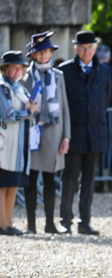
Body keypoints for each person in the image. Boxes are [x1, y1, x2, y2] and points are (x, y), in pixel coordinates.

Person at [58, 31, 112, 235]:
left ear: (95, 48)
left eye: (90, 47)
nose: (87, 51)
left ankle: (84, 221)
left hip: (96, 133)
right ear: (76, 49)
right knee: (69, 180)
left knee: (89, 182)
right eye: (83, 48)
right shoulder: (65, 71)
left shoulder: (104, 71)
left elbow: (105, 100)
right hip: (73, 134)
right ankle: (65, 221)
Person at [21, 32, 71, 234]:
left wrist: (67, 137)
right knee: (30, 180)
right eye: (40, 52)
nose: (43, 55)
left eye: (47, 51)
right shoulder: (25, 77)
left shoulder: (58, 76)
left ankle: (50, 223)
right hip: (32, 132)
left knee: (50, 181)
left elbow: (65, 108)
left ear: (51, 52)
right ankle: (31, 224)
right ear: (33, 55)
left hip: (54, 133)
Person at [0, 51, 39, 236]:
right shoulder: (2, 88)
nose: (17, 71)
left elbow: (28, 111)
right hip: (4, 144)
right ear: (6, 69)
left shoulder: (19, 88)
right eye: (14, 67)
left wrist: (30, 110)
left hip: (18, 145)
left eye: (20, 67)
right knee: (2, 184)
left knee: (13, 184)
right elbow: (7, 116)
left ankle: (9, 223)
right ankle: (2, 224)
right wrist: (28, 112)